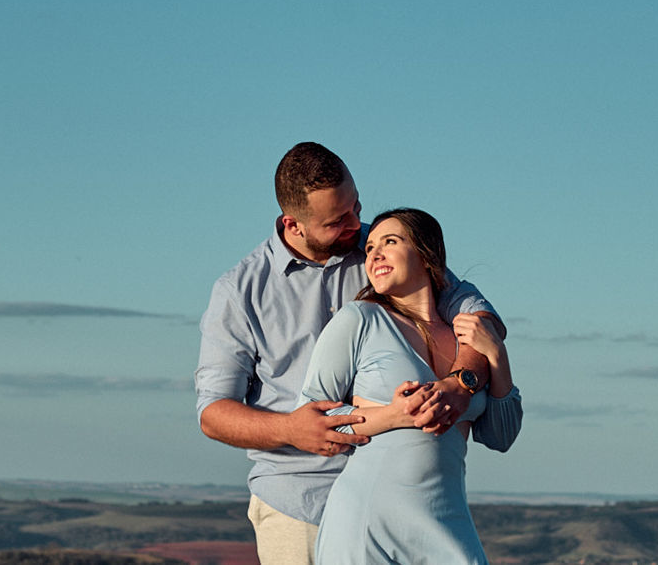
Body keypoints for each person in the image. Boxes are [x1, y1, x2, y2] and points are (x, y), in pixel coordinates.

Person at [196, 144, 504, 565]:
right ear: (293, 224)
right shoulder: (239, 291)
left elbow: (481, 318)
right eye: (338, 219)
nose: (356, 223)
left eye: (355, 205)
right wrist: (291, 429)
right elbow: (213, 414)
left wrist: (461, 382)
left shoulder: (382, 253)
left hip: (400, 504)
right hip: (299, 504)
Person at [299, 207, 520, 565]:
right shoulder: (359, 320)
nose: (375, 254)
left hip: (447, 523)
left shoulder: (470, 338)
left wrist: (497, 353)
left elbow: (502, 436)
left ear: (426, 253)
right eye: (370, 248)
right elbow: (312, 418)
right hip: (366, 525)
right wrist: (393, 415)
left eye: (390, 241)